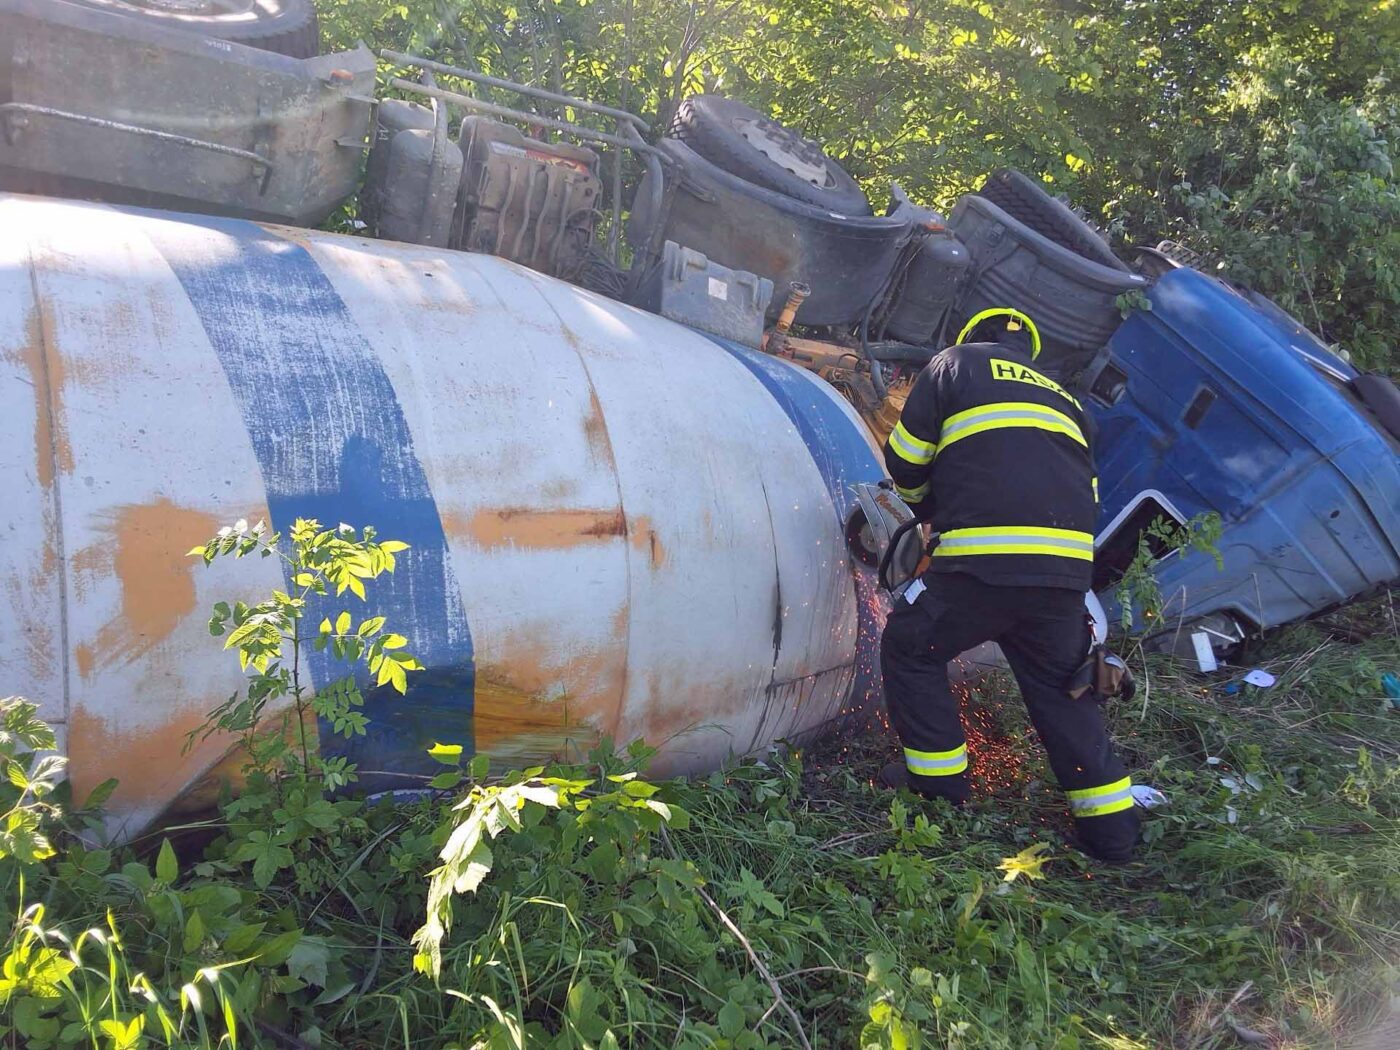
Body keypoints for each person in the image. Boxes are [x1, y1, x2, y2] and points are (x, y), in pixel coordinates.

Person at [878, 307, 1139, 864]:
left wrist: (928, 511)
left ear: (974, 338)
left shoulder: (955, 364)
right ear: (1030, 355)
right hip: (1064, 578)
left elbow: (905, 460)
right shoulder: (1069, 402)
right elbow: (1087, 495)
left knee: (911, 647)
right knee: (1063, 691)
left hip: (980, 566)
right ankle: (1114, 834)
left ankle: (938, 790)